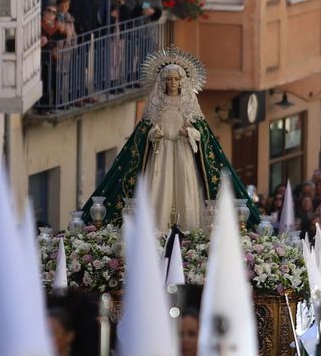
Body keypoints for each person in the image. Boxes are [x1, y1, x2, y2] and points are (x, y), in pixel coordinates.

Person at [80, 48, 258, 232]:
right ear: (163, 82)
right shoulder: (156, 105)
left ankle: (188, 229)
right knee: (159, 190)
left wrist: (189, 132)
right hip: (161, 154)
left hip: (184, 152)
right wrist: (153, 135)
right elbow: (143, 133)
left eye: (176, 79)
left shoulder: (189, 105)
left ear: (182, 82)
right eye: (169, 79)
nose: (173, 82)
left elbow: (202, 135)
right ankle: (157, 230)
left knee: (186, 188)